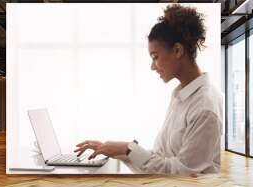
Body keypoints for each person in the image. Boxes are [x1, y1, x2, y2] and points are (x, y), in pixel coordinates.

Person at [74, 4, 223, 175]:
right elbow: (162, 159)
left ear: (177, 50)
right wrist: (118, 150)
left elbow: (182, 172)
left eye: (155, 57)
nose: (153, 66)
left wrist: (128, 148)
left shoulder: (204, 106)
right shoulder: (181, 97)